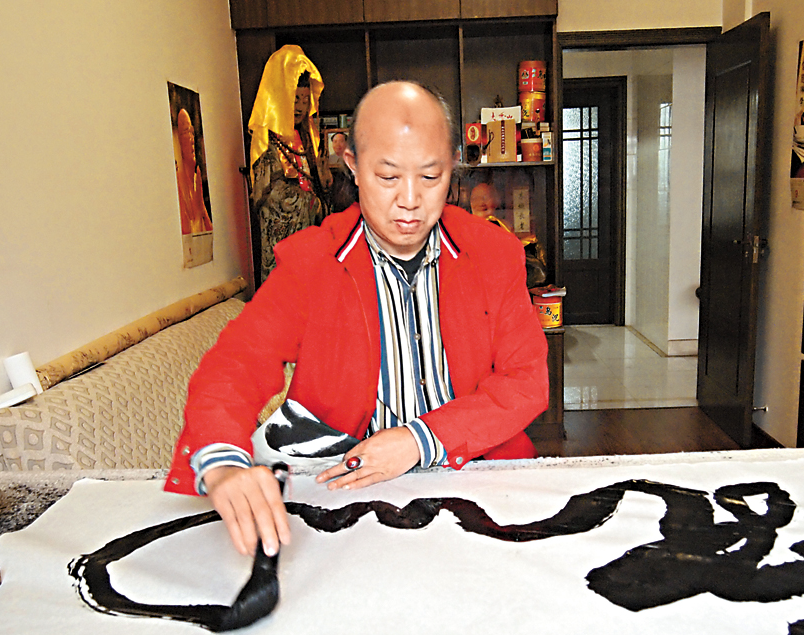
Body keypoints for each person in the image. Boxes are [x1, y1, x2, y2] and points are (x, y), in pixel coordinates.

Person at [165, 81, 548, 558]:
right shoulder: (311, 262)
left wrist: (420, 440)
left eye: (430, 176)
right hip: (351, 493)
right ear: (352, 165)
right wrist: (222, 459)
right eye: (387, 176)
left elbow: (525, 380)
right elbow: (236, 365)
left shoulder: (493, 254)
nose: (410, 199)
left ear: (453, 165)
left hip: (475, 476)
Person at [249, 45, 332, 283]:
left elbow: (315, 186)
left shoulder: (307, 137)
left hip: (311, 238)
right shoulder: (267, 140)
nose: (300, 107)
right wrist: (311, 203)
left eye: (305, 100)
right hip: (284, 240)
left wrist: (325, 185)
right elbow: (270, 194)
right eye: (295, 99)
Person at [174, 108, 213, 235]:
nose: (191, 138)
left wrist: (201, 207)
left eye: (191, 132)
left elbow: (209, 229)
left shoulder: (196, 178)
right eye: (186, 132)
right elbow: (187, 231)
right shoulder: (179, 181)